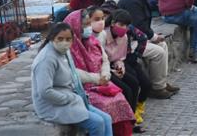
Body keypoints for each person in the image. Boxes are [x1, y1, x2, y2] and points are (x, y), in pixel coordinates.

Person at [31, 22, 113, 136]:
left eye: (68, 39)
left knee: (107, 119)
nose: (64, 42)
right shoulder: (46, 59)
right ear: (52, 38)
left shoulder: (64, 51)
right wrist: (68, 98)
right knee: (97, 123)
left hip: (71, 99)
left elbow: (72, 73)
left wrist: (96, 79)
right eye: (60, 38)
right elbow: (45, 92)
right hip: (53, 105)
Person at [64, 8, 135, 136]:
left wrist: (106, 74)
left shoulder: (92, 41)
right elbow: (72, 72)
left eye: (87, 24)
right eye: (85, 25)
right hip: (84, 87)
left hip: (101, 82)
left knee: (121, 99)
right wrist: (96, 79)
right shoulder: (69, 48)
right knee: (105, 106)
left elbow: (104, 59)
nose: (88, 27)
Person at [117, 0, 177, 99]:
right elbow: (139, 25)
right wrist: (153, 37)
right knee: (159, 52)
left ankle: (162, 82)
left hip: (137, 37)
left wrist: (153, 37)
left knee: (163, 45)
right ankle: (158, 88)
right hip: (130, 42)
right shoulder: (132, 1)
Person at [96, 10, 147, 132]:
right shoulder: (103, 36)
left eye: (126, 25)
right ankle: (125, 123)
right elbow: (99, 59)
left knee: (134, 83)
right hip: (103, 69)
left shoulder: (123, 37)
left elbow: (120, 57)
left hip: (115, 66)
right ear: (113, 23)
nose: (124, 28)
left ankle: (132, 119)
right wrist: (112, 71)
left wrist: (120, 67)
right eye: (122, 25)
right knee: (126, 90)